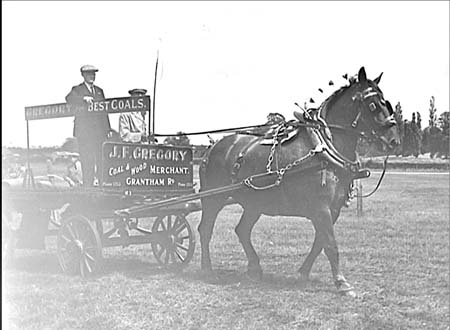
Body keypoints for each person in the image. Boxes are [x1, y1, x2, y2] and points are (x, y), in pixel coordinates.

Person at [65, 65, 112, 186]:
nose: (92, 76)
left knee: (101, 159)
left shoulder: (99, 91)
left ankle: (102, 185)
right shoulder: (78, 89)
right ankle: (88, 187)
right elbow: (69, 98)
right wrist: (82, 99)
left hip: (99, 133)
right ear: (83, 75)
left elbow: (104, 111)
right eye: (89, 74)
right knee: (87, 160)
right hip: (85, 133)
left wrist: (107, 129)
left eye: (93, 74)